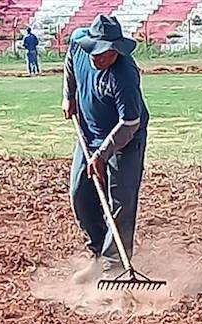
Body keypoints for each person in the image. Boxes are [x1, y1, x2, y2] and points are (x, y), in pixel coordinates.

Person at [62, 15, 149, 281]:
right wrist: (68, 95)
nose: (106, 58)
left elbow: (130, 123)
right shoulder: (78, 44)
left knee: (120, 203)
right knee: (80, 195)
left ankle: (115, 268)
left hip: (125, 142)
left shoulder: (124, 74)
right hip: (89, 135)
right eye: (101, 52)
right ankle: (98, 255)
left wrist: (102, 155)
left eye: (112, 52)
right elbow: (68, 64)